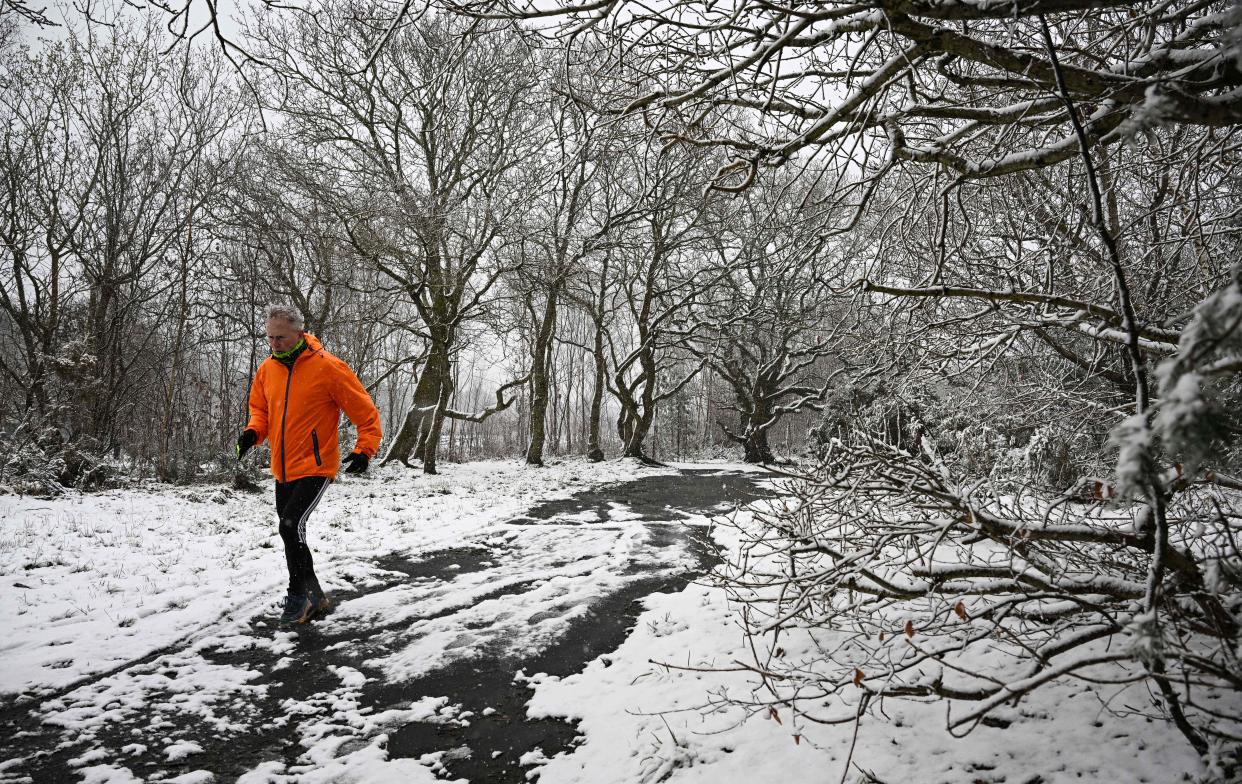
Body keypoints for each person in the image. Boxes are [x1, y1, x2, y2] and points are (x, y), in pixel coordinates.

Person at [235, 304, 382, 625]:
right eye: (270, 337)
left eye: (281, 337)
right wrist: (252, 432)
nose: (274, 343)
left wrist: (364, 450)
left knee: (290, 526)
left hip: (317, 466)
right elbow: (260, 411)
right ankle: (316, 597)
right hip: (282, 467)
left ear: (300, 333)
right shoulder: (267, 370)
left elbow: (365, 412)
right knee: (293, 534)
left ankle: (297, 597)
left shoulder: (329, 368)